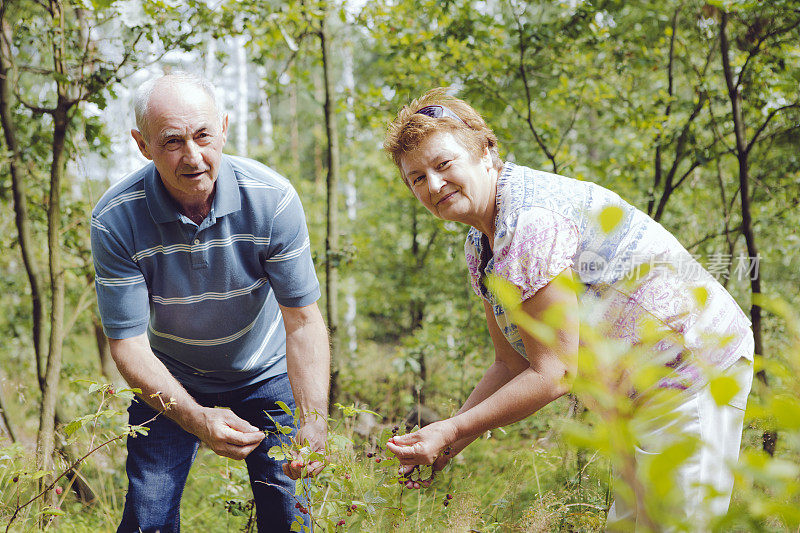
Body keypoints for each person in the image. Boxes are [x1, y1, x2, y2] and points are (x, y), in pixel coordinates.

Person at [383, 88, 754, 529]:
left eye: (443, 165)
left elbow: (555, 372)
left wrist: (454, 430)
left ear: (486, 151)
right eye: (417, 178)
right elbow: (511, 360)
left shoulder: (530, 220)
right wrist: (450, 439)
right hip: (633, 391)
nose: (434, 185)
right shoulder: (482, 244)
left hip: (689, 370)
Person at [90, 72, 329, 532]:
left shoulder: (273, 201)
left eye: (203, 135)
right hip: (170, 375)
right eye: (173, 141)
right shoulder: (115, 218)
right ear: (143, 146)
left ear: (223, 127)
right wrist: (197, 419)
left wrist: (314, 421)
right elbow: (128, 344)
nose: (193, 156)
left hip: (266, 370)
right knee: (147, 515)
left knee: (291, 513)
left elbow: (302, 320)